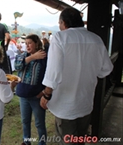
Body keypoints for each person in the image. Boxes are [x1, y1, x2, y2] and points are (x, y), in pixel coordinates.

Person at [40, 8, 113, 145]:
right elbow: (106, 69)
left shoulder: (60, 37)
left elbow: (53, 72)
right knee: (80, 139)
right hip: (85, 102)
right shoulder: (96, 39)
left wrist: (46, 94)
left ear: (64, 23)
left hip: (65, 105)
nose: (59, 26)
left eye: (59, 23)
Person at [15, 34, 47, 145]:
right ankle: (26, 141)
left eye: (30, 43)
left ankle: (42, 143)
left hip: (37, 96)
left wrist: (44, 92)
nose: (27, 45)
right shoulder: (22, 55)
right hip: (23, 95)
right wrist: (33, 57)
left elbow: (49, 76)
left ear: (36, 43)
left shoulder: (44, 57)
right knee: (25, 121)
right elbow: (17, 66)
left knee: (39, 123)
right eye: (25, 43)